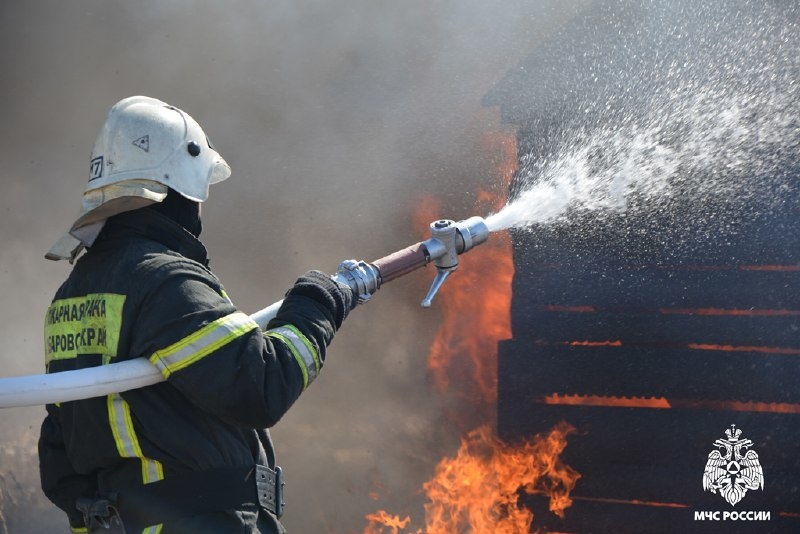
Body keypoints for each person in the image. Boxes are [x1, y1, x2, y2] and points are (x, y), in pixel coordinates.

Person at [38, 96, 358, 533]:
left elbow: (59, 455)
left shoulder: (70, 298)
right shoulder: (164, 281)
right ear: (179, 186)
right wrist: (316, 305)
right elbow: (259, 386)